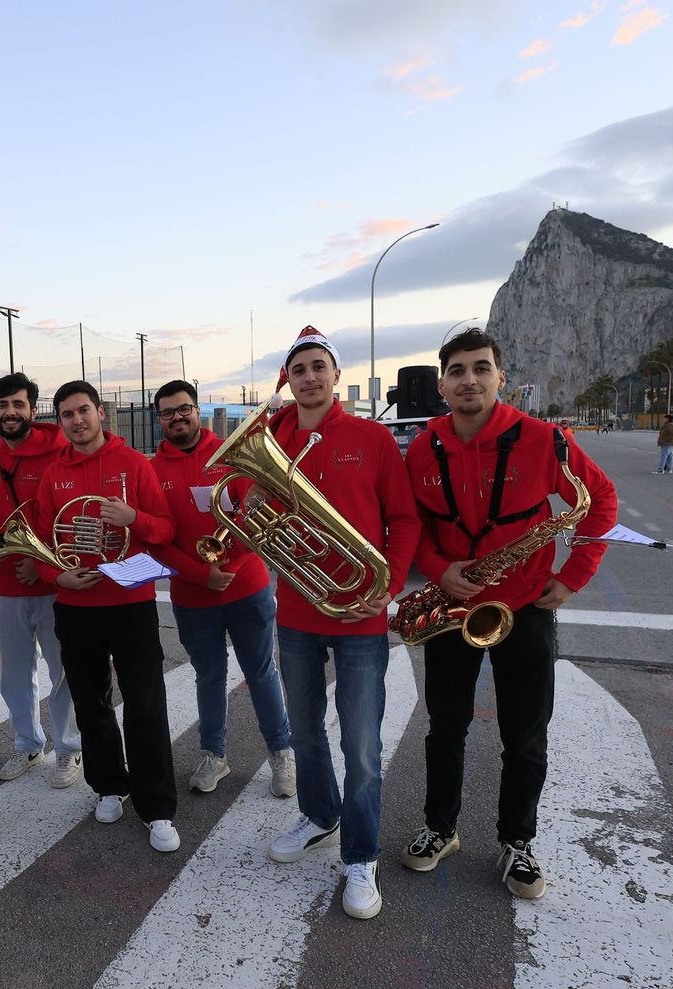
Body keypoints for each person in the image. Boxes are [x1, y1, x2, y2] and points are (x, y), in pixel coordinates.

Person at [401, 329, 618, 900]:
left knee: (525, 735)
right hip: (453, 607)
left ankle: (517, 840)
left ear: (501, 377)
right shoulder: (422, 448)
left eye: (481, 368)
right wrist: (437, 568)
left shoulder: (546, 440)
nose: (469, 380)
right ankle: (440, 828)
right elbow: (411, 524)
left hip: (524, 607)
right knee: (445, 729)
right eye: (457, 371)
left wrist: (574, 575)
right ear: (442, 384)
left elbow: (601, 500)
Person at [262, 326, 420, 922]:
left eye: (318, 366)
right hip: (297, 610)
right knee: (304, 731)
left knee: (360, 742)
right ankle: (320, 815)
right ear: (289, 379)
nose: (309, 377)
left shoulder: (371, 438)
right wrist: (250, 504)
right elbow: (249, 508)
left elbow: (404, 519)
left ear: (335, 376)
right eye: (298, 368)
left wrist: (387, 585)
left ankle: (360, 854)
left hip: (359, 614)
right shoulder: (271, 440)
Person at [32, 380, 180, 853]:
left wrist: (133, 519)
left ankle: (157, 806)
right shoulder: (53, 474)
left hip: (131, 603)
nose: (76, 420)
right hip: (76, 606)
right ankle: (110, 785)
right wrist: (58, 576)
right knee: (90, 702)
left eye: (83, 411)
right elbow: (39, 543)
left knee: (145, 703)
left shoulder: (134, 464)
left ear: (100, 412)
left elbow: (165, 530)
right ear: (60, 421)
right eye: (67, 414)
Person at [147, 379, 295, 798]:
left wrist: (230, 565)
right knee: (208, 677)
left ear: (197, 411)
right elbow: (157, 541)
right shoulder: (153, 471)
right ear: (160, 420)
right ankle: (214, 755)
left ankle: (281, 753)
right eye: (168, 412)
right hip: (192, 595)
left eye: (184, 409)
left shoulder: (231, 453)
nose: (177, 417)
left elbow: (256, 516)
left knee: (261, 673)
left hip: (246, 587)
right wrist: (201, 575)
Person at [0, 373, 82, 787]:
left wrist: (41, 563)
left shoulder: (61, 453)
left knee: (63, 670)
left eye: (17, 404)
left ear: (33, 409)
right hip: (6, 587)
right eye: (2, 405)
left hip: (54, 585)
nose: (9, 412)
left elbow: (73, 516)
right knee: (14, 673)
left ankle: (68, 748)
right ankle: (28, 744)